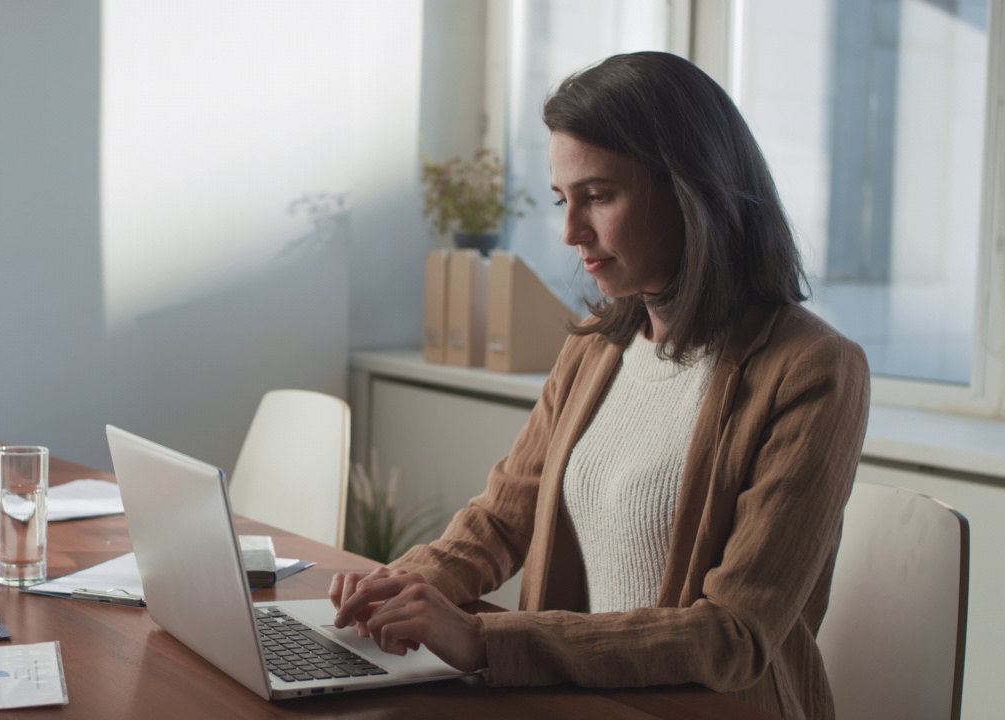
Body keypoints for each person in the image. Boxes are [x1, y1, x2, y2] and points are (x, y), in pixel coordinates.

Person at [330, 51, 870, 720]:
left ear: (689, 189)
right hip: (587, 698)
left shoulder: (815, 369)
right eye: (563, 199)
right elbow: (503, 518)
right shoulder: (598, 345)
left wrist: (480, 638)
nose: (569, 230)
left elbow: (732, 636)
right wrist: (405, 586)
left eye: (599, 196)